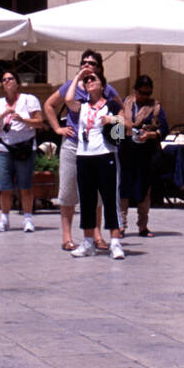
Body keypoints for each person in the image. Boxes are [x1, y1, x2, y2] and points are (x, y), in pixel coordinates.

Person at [44, 50, 121, 252]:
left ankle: (97, 235)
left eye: (92, 63)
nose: (87, 66)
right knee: (69, 190)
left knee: (95, 194)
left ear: (99, 68)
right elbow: (49, 105)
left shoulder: (106, 89)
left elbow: (121, 111)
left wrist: (114, 125)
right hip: (73, 144)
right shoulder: (72, 87)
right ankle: (67, 236)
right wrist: (57, 129)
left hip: (99, 148)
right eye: (84, 62)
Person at [62, 65, 126, 260]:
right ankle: (88, 242)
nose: (89, 82)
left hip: (106, 155)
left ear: (103, 85)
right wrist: (78, 76)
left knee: (110, 199)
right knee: (87, 201)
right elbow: (67, 99)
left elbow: (126, 126)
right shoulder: (82, 106)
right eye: (87, 80)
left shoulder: (112, 105)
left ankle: (115, 242)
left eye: (93, 79)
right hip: (84, 157)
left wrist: (112, 119)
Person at [0, 69, 44, 234]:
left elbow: (40, 122)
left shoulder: (29, 100)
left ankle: (27, 218)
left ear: (17, 82)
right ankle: (4, 219)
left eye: (10, 78)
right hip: (4, 147)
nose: (7, 82)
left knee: (25, 185)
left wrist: (23, 119)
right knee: (4, 185)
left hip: (25, 146)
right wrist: (4, 113)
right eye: (4, 80)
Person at [119, 75, 168, 237]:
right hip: (126, 150)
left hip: (146, 153)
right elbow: (114, 126)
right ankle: (121, 225)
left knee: (144, 188)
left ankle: (143, 226)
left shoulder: (155, 107)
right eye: (142, 93)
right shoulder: (124, 103)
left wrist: (150, 135)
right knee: (123, 188)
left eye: (148, 93)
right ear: (135, 90)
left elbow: (165, 129)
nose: (145, 97)